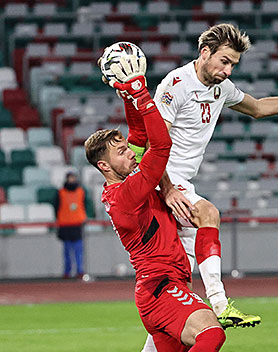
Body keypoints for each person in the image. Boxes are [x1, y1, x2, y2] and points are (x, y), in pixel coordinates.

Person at [126, 24, 278, 347]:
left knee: (175, 293)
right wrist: (169, 189)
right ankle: (219, 301)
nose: (228, 70)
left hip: (179, 183)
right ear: (205, 53)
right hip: (163, 181)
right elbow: (153, 144)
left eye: (233, 65)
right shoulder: (175, 85)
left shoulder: (222, 88)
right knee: (209, 214)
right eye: (225, 62)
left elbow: (258, 108)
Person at [85, 56, 226, 351]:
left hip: (163, 286)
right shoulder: (127, 194)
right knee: (212, 334)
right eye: (121, 152)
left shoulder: (126, 182)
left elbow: (138, 134)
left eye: (126, 149)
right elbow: (160, 145)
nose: (130, 154)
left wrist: (126, 96)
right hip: (161, 288)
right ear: (104, 166)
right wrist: (141, 94)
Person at [54, 172, 88, 279]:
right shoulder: (61, 193)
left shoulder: (81, 192)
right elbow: (56, 207)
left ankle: (79, 271)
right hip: (65, 224)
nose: (72, 180)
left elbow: (86, 205)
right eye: (70, 178)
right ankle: (67, 272)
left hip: (77, 224)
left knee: (78, 250)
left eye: (73, 178)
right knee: (67, 251)